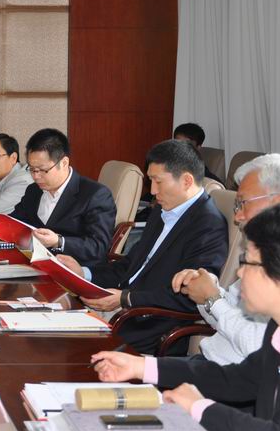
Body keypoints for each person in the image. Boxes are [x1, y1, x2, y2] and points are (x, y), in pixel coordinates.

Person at [92, 205, 280, 431]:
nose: (239, 273)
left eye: (247, 261)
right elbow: (237, 380)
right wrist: (142, 366)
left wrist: (199, 407)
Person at [60, 139, 228, 355]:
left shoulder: (208, 225)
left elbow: (191, 295)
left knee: (65, 348)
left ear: (186, 181)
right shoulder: (161, 211)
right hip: (123, 312)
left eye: (158, 181)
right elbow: (130, 265)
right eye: (150, 181)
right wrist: (84, 273)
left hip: (150, 326)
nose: (153, 191)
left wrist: (125, 298)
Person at [171, 153, 280, 364]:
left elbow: (259, 346)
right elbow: (228, 316)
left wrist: (213, 299)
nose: (237, 216)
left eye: (243, 203)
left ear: (279, 204)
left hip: (234, 379)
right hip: (206, 366)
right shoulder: (267, 252)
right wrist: (205, 291)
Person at [8, 128, 115, 264]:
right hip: (34, 265)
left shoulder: (95, 195)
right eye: (32, 169)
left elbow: (98, 247)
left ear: (64, 163)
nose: (36, 176)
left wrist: (59, 241)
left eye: (42, 170)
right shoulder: (34, 190)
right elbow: (15, 221)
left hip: (75, 270)